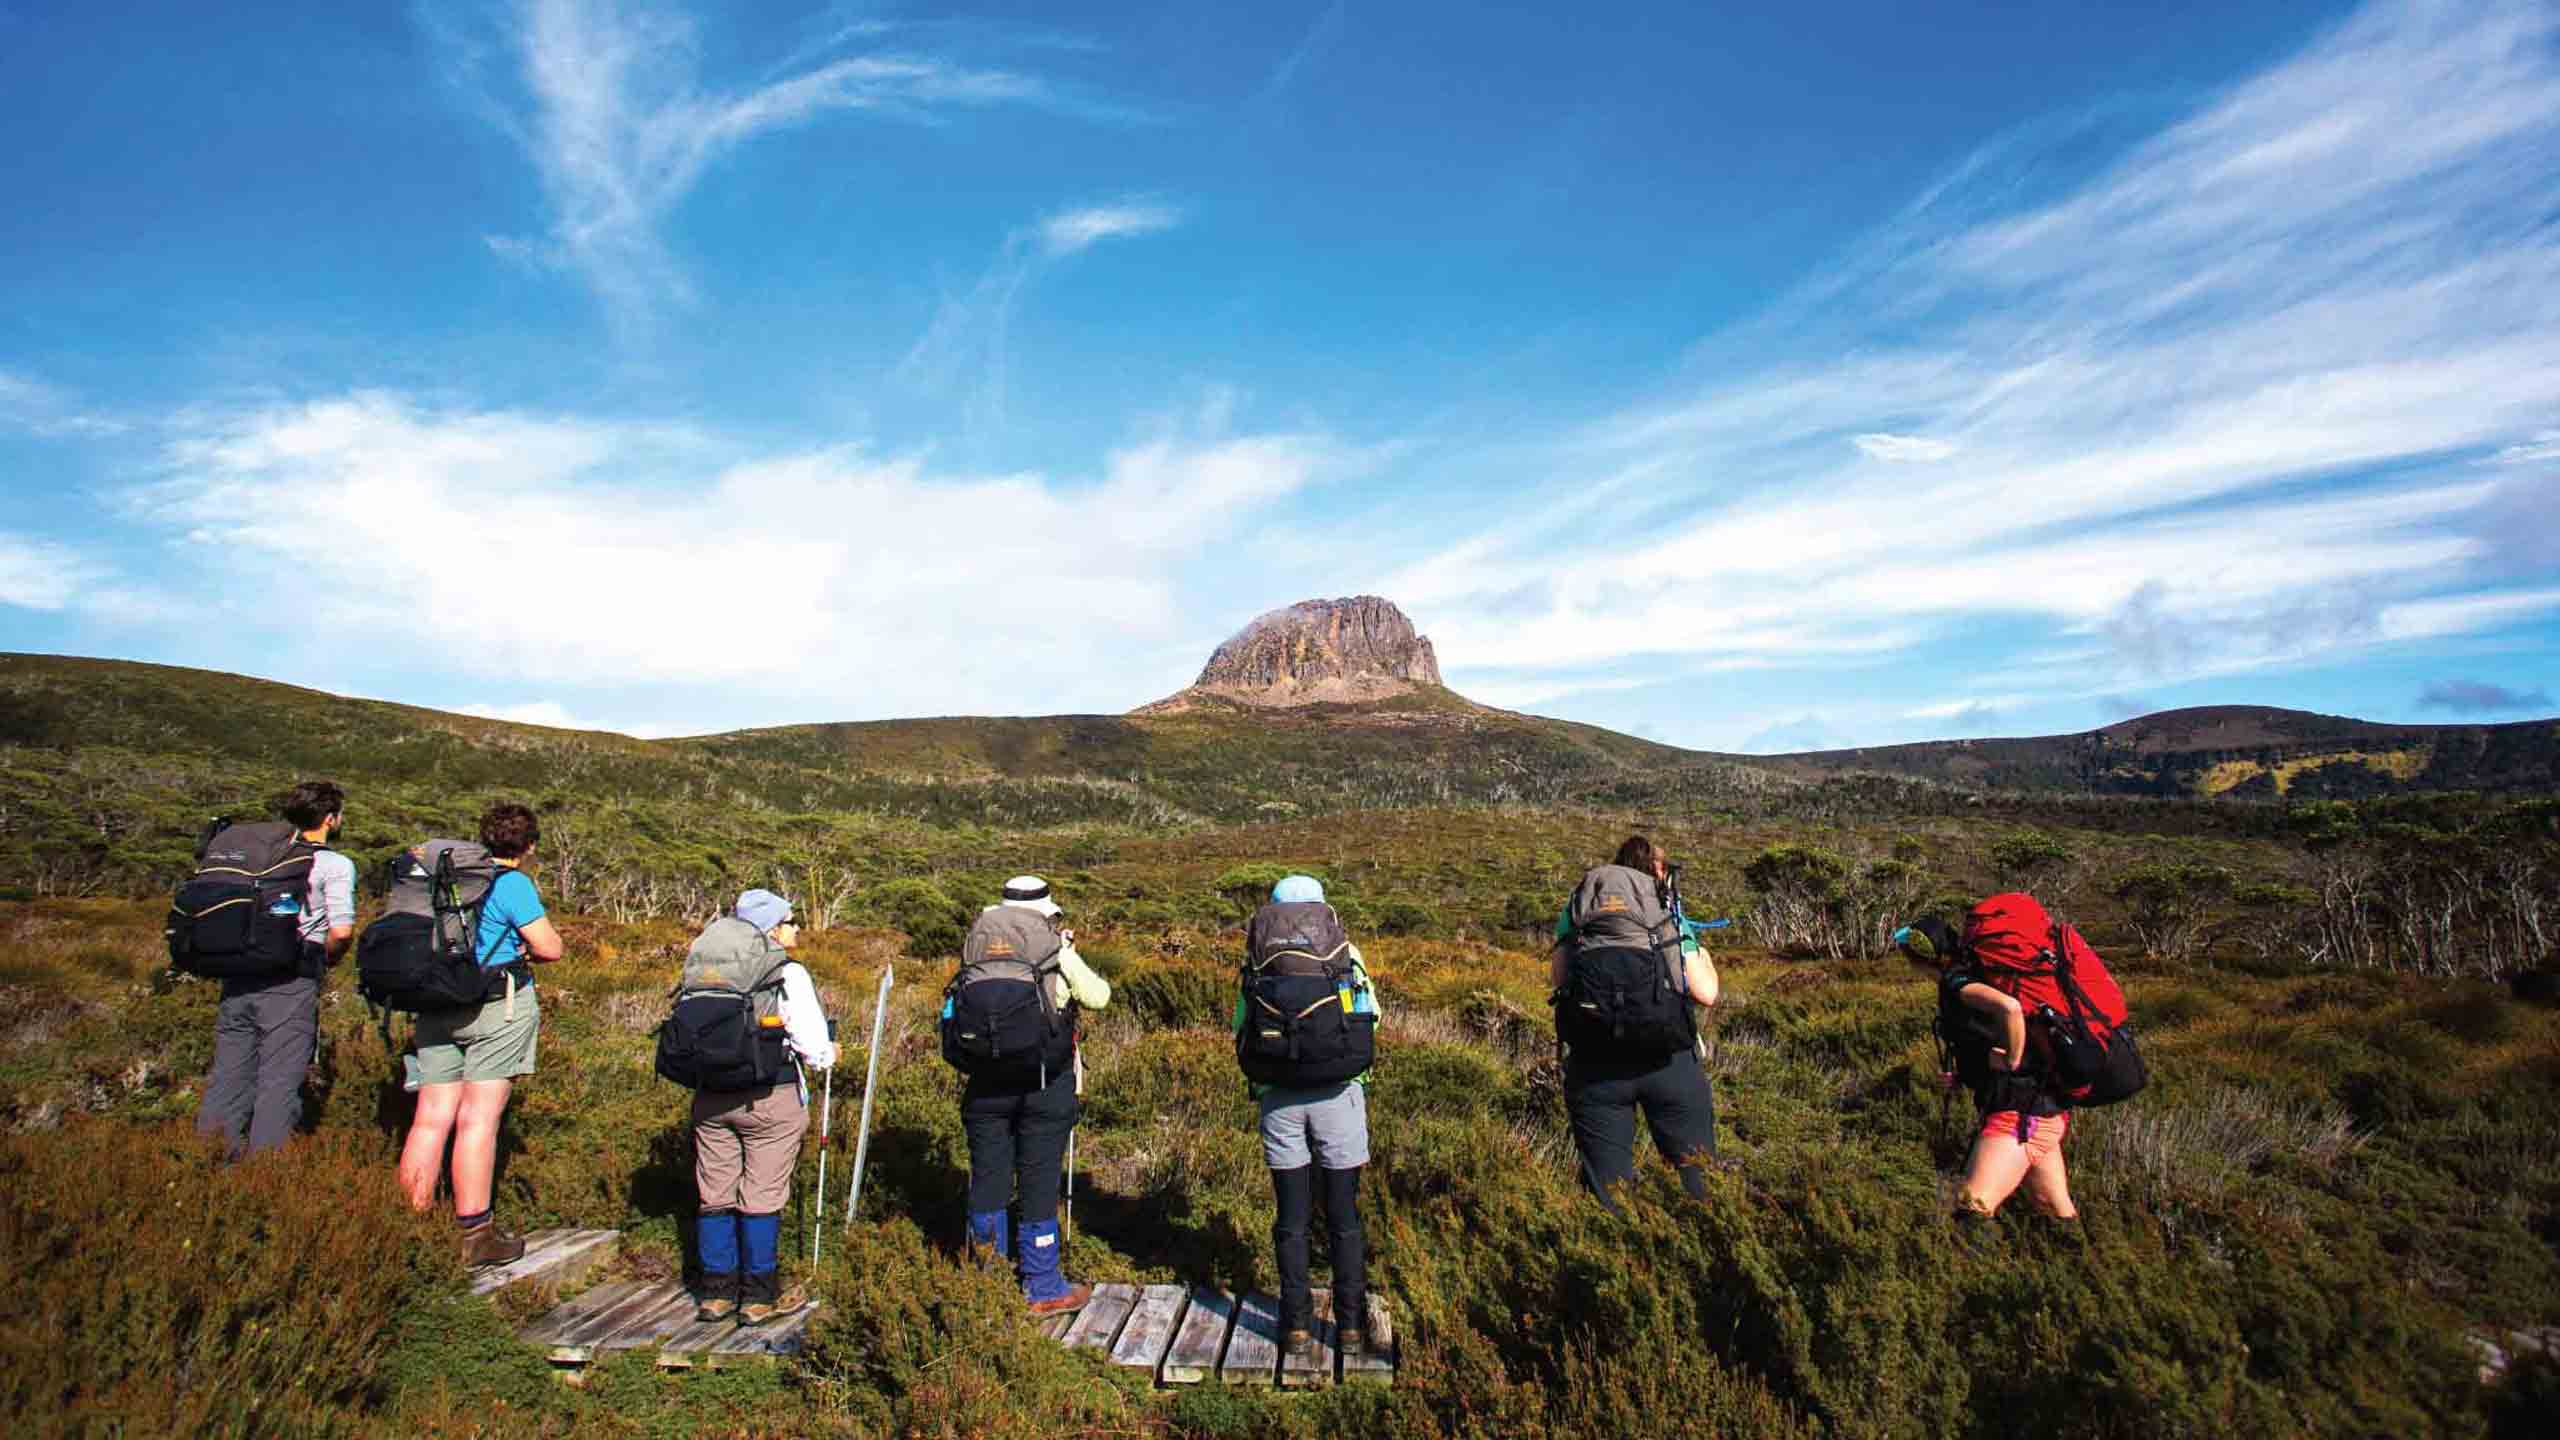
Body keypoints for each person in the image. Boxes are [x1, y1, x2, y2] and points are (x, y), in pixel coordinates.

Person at [397, 801, 564, 1266]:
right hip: (495, 1007)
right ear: (528, 845)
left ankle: (408, 1225)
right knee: (478, 1119)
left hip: (435, 1004)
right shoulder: (512, 885)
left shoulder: (444, 879)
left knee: (429, 1118)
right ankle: (475, 1233)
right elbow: (549, 948)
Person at [942, 876, 1110, 1315]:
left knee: (988, 1178)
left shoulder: (975, 946)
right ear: (1047, 911)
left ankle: (987, 1282)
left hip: (984, 1083)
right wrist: (1066, 955)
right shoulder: (1055, 949)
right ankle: (1042, 1285)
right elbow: (1099, 997)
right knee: (1038, 1181)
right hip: (1044, 1081)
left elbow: (950, 1012)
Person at [1232, 874, 1379, 1362]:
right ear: (1323, 909)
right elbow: (1369, 1016)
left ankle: (1294, 1326)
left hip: (1279, 1097)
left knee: (1290, 1218)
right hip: (1340, 1094)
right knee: (1344, 1218)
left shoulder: (1258, 960)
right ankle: (1352, 1326)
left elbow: (1241, 1026)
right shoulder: (1344, 955)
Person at [683, 889, 836, 1324]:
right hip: (771, 1097)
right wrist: (828, 1054)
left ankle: (715, 1294)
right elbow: (812, 1044)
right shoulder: (785, 972)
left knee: (714, 1192)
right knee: (762, 1194)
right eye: (791, 921)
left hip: (711, 1097)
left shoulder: (705, 965)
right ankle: (757, 1296)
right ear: (771, 928)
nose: (797, 928)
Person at [1549, 836, 1721, 1215]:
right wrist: (1701, 950)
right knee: (1699, 1183)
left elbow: (1560, 979)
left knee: (1608, 1196)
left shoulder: (1581, 903)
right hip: (1668, 1061)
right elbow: (1705, 992)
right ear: (1659, 872)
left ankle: (1617, 1263)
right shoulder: (1665, 907)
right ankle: (1703, 1259)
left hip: (1595, 1063)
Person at [194, 780, 354, 1158]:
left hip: (237, 972)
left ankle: (206, 1163)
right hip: (292, 978)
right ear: (331, 819)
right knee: (279, 1080)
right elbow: (342, 931)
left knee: (228, 1075)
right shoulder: (334, 864)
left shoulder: (258, 856)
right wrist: (329, 956)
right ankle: (263, 1174)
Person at [1895, 915, 2078, 1227]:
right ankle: (2085, 1264)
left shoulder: (1959, 984)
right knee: (2052, 1209)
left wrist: (2012, 1061)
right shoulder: (1970, 974)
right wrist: (1966, 1074)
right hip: (2041, 1109)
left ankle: (1972, 1273)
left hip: (2019, 1116)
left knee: (1971, 1209)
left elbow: (2011, 1008)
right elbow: (1985, 1037)